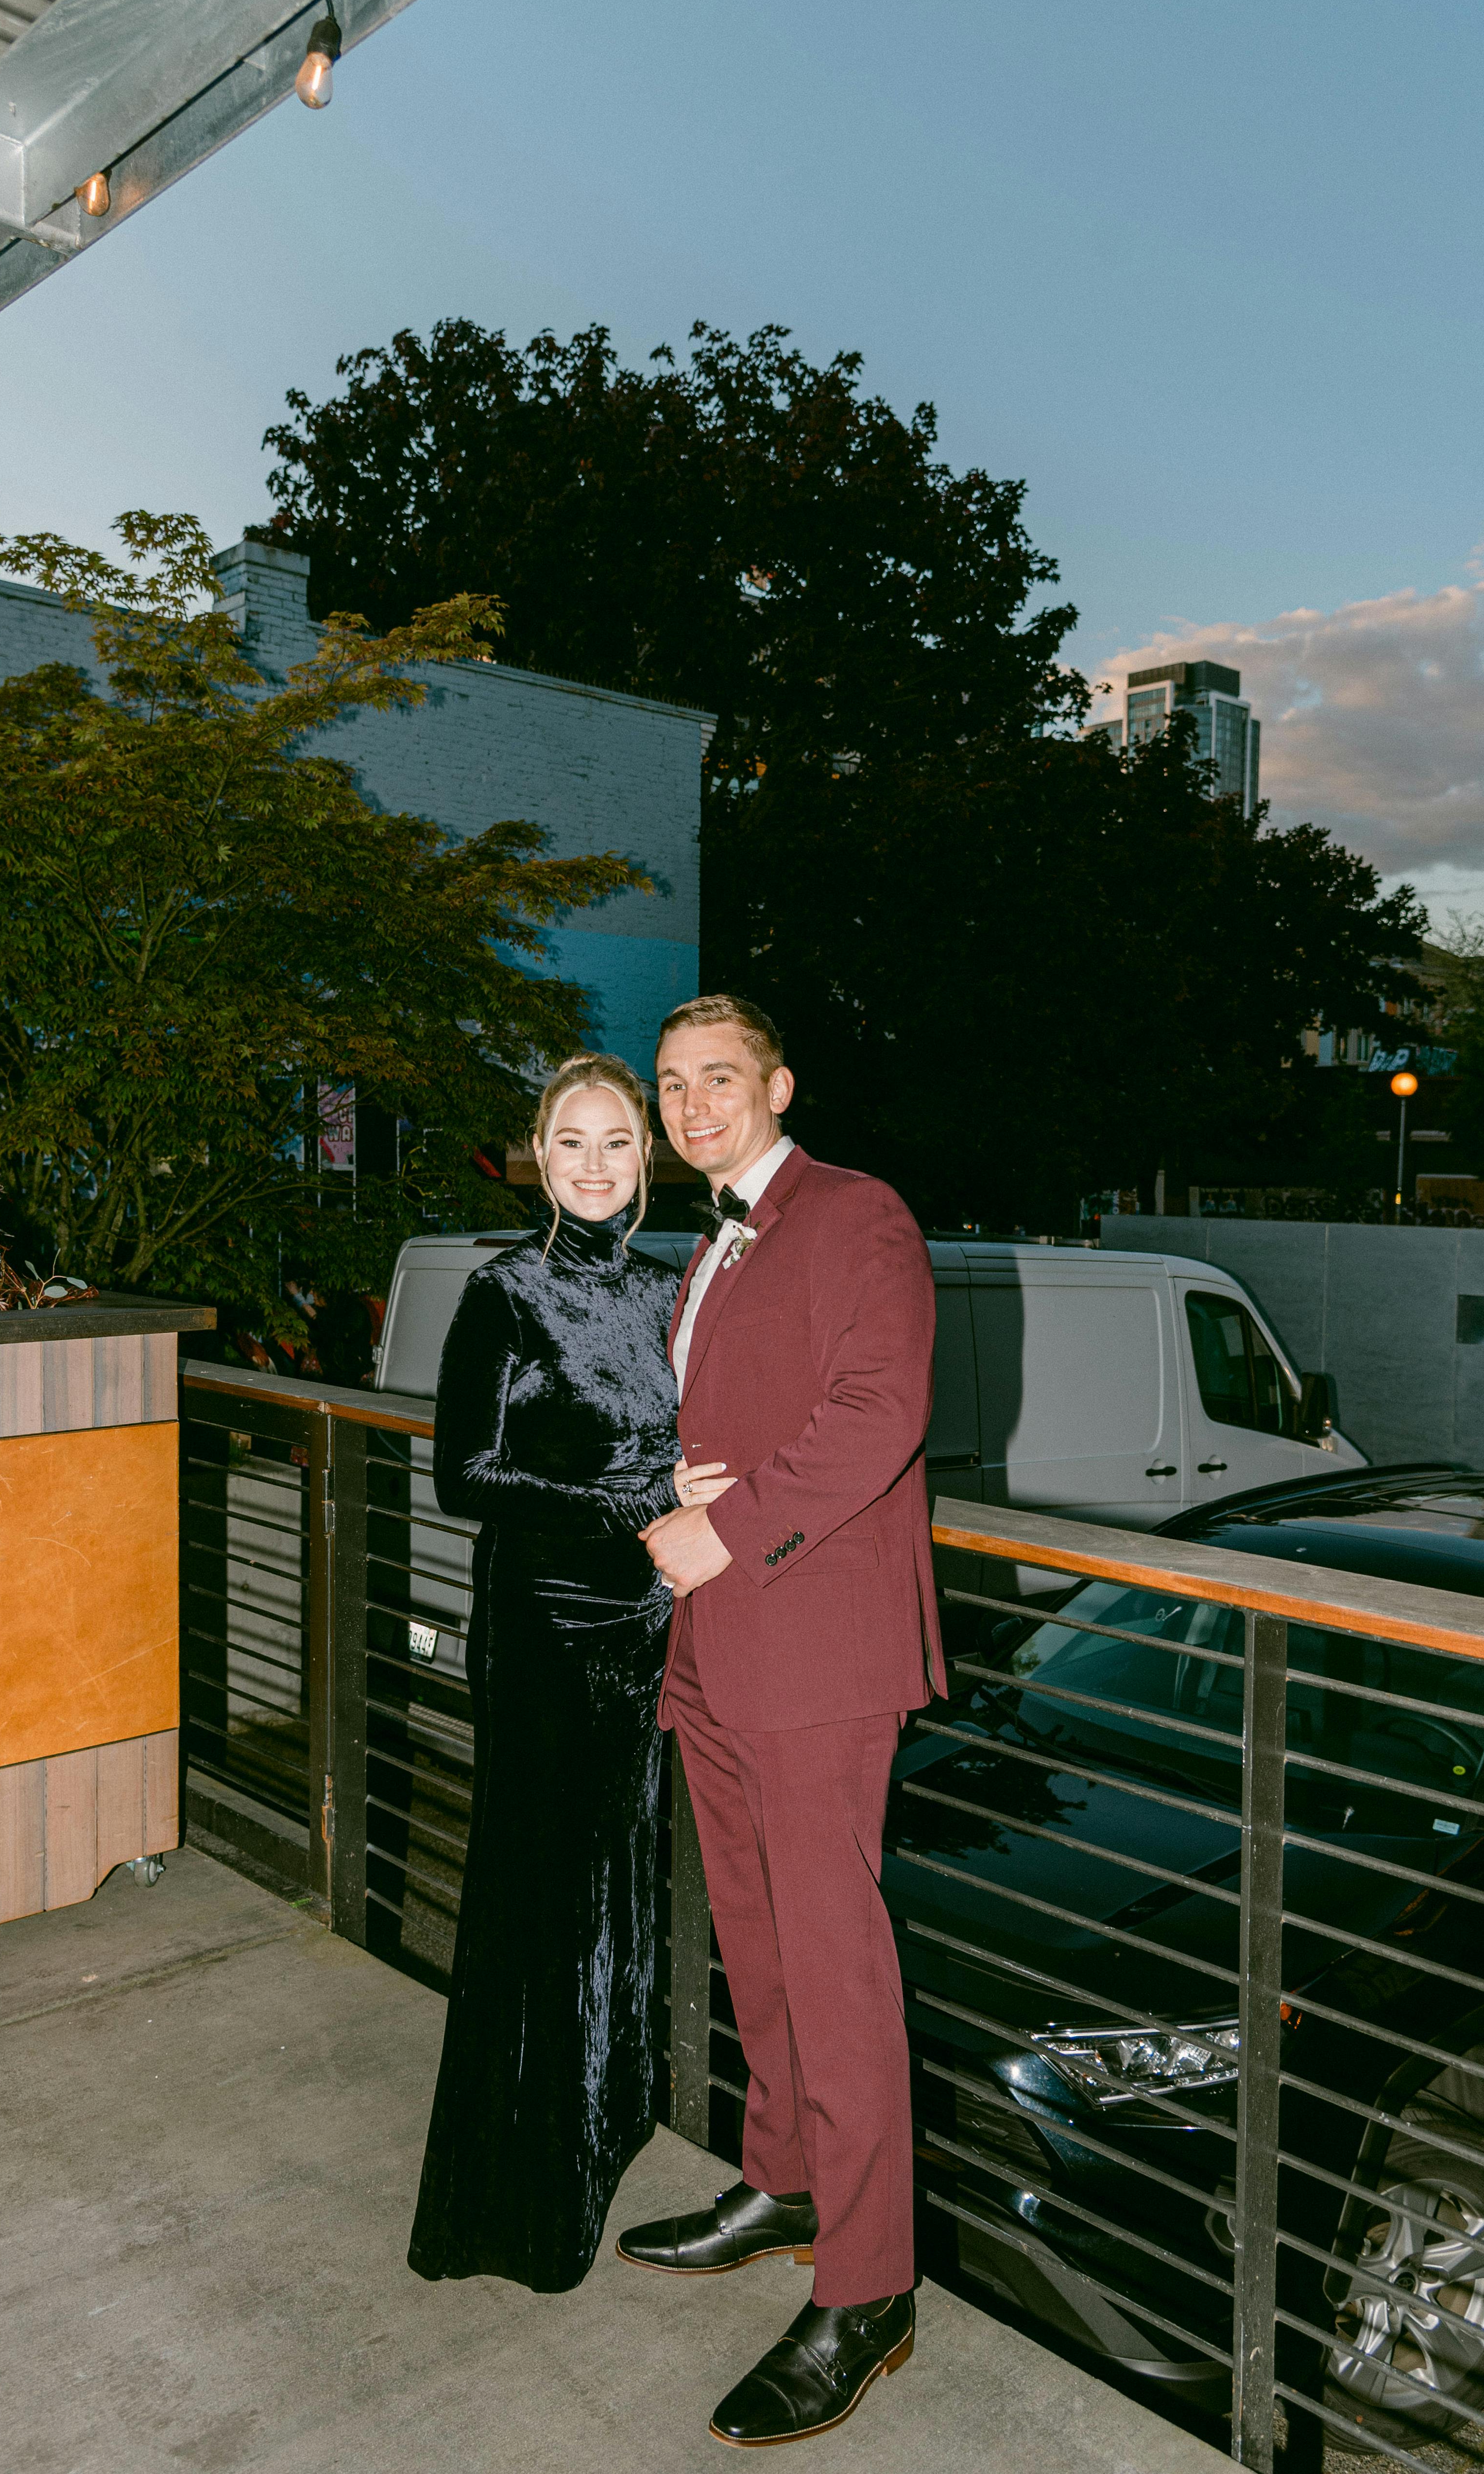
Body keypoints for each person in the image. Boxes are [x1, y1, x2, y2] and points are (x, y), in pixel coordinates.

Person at [620, 994, 945, 2448]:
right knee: (755, 1942)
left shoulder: (856, 1212)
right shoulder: (709, 1243)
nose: (692, 1104)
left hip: (814, 1653)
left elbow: (879, 1412)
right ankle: (787, 2177)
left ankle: (870, 2286)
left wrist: (728, 1530)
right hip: (717, 1644)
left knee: (837, 1966)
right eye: (673, 1083)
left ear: (778, 1084)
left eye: (718, 1078)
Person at [407, 1052, 727, 2293]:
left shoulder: (670, 1292)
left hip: (649, 1625)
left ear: (645, 1160)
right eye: (570, 1144)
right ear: (536, 1159)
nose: (593, 1165)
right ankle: (510, 2198)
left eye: (615, 1144)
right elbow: (462, 1479)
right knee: (537, 1899)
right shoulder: (506, 1290)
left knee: (621, 1893)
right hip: (543, 1630)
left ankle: (596, 2127)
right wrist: (634, 1495)